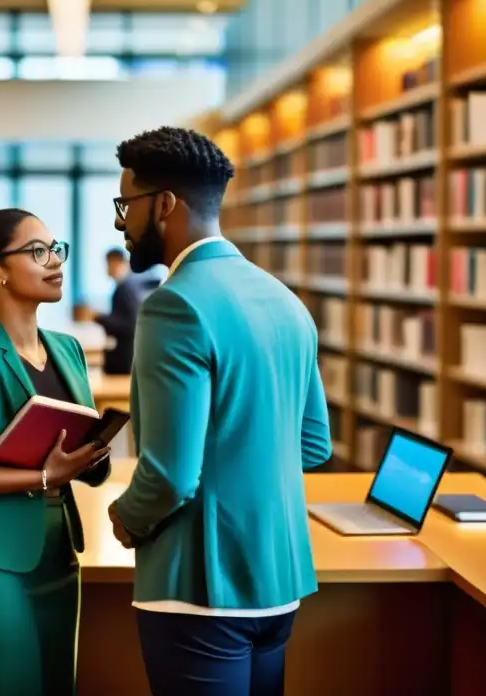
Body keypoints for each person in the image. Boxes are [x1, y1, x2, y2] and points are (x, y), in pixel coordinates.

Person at [106, 126, 333, 695]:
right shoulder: (286, 300)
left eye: (124, 205)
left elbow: (169, 476)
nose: (119, 223)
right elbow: (312, 445)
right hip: (278, 583)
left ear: (163, 205)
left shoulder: (174, 307)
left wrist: (125, 516)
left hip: (198, 587)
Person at [0, 207, 112, 696]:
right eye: (37, 251)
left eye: (55, 249)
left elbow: (77, 451)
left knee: (56, 684)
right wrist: (44, 478)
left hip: (58, 554)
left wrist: (94, 453)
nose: (54, 261)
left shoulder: (68, 349)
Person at [93, 248, 158, 374]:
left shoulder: (125, 288)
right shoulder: (134, 285)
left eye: (109, 264)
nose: (107, 269)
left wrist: (98, 317)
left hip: (126, 355)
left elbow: (131, 324)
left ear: (118, 263)